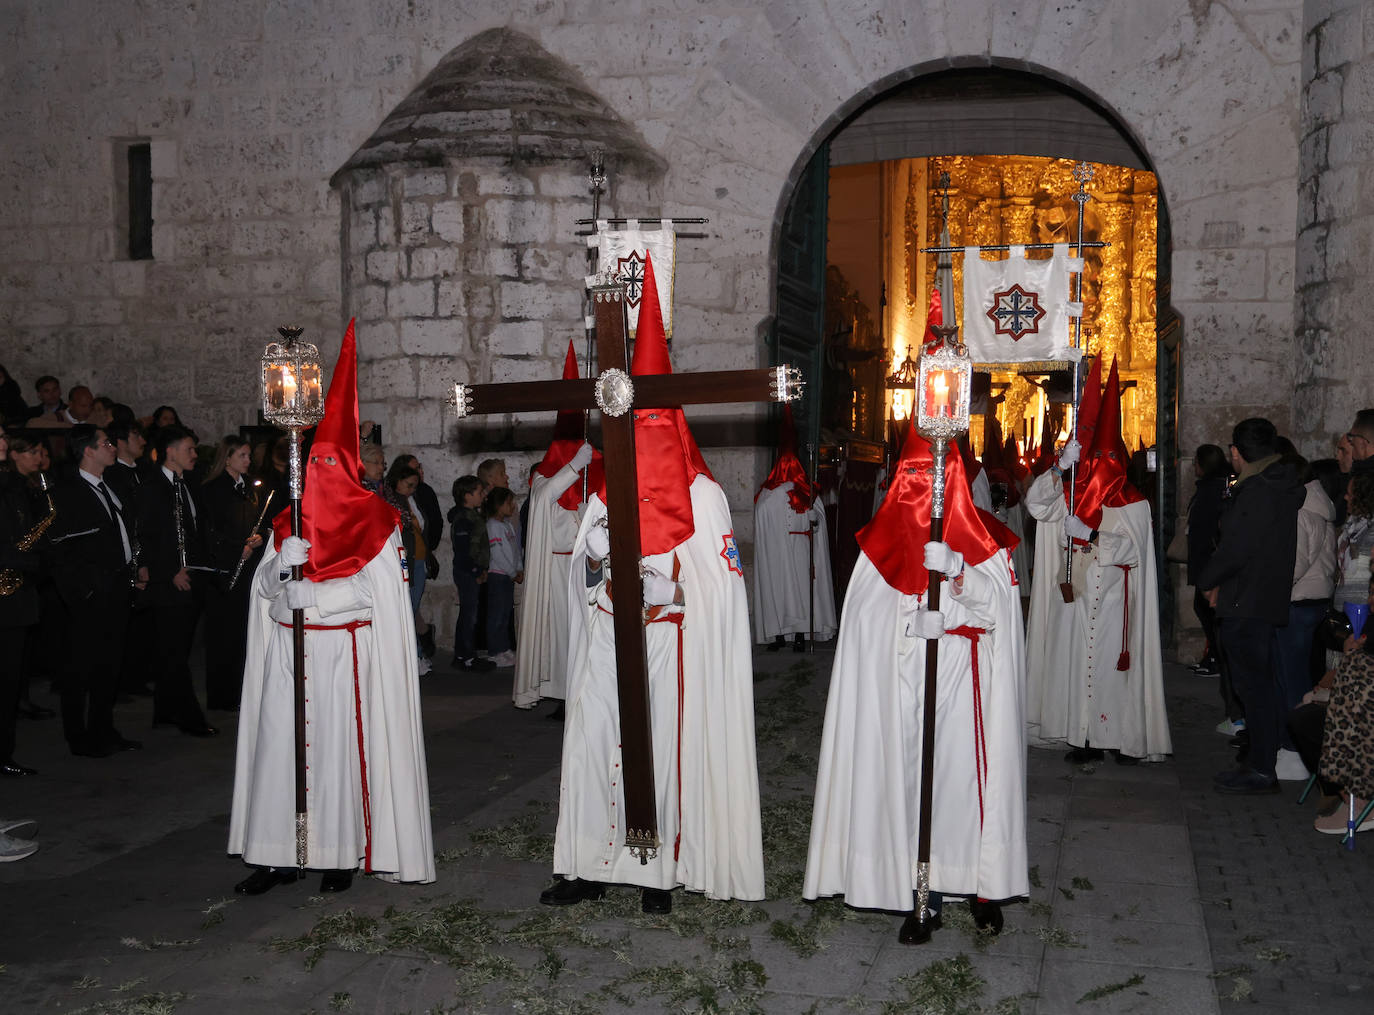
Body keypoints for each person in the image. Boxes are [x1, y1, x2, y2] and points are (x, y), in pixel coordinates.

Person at [541, 253, 763, 915]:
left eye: (654, 424)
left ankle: (656, 868)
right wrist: (597, 559)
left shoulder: (703, 496)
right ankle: (584, 862)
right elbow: (578, 571)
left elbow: (722, 592)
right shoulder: (606, 491)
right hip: (607, 642)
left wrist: (676, 594)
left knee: (661, 749)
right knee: (590, 743)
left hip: (670, 646)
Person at [229, 321, 435, 894]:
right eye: (311, 464)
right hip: (288, 656)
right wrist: (278, 568)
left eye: (326, 464)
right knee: (281, 751)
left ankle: (337, 854)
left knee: (337, 755)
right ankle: (279, 853)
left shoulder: (376, 521)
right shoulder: (286, 518)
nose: (317, 475)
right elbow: (263, 587)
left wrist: (315, 594)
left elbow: (381, 593)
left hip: (341, 653)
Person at [804, 427, 1028, 944]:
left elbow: (1000, 616)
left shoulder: (987, 543)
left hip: (963, 685)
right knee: (908, 786)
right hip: (899, 690)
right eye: (911, 476)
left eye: (932, 476)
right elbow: (862, 623)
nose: (920, 487)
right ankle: (919, 894)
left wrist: (957, 577)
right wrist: (909, 626)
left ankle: (978, 887)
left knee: (961, 787)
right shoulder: (875, 546)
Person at [1023, 358, 1171, 764]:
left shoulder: (1134, 505)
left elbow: (1134, 552)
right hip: (1075, 600)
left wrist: (1090, 534)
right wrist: (1058, 468)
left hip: (1114, 604)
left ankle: (1120, 738)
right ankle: (1082, 737)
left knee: (1113, 672)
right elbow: (1035, 506)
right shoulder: (1069, 492)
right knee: (1076, 669)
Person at [1199, 417, 1306, 794]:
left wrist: (1208, 581)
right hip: (1259, 597)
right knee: (1259, 687)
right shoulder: (1278, 484)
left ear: (1236, 452)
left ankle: (1262, 768)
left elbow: (1235, 548)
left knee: (1254, 688)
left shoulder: (1258, 490)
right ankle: (1260, 759)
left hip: (1247, 601)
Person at [513, 343, 601, 713]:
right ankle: (564, 697)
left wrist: (589, 509)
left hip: (584, 568)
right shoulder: (544, 477)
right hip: (555, 569)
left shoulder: (595, 471)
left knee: (583, 631)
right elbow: (545, 497)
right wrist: (574, 467)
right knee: (560, 635)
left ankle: (586, 694)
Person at [48, 424, 142, 757]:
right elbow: (61, 551)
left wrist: (135, 567)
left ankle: (104, 728)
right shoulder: (66, 492)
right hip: (89, 594)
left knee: (109, 665)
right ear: (87, 450)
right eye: (105, 443)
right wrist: (81, 593)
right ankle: (79, 736)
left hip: (117, 587)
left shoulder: (112, 484)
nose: (113, 447)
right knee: (80, 668)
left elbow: (122, 531)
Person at [1273, 451, 1337, 781]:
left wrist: (1270, 594)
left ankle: (1294, 748)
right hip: (1309, 599)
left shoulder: (1303, 511)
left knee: (1291, 677)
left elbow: (1293, 564)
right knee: (1293, 674)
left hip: (1298, 601)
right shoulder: (1316, 504)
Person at [752, 404, 836, 651]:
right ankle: (778, 635)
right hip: (776, 550)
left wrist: (814, 519)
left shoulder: (808, 492)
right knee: (776, 590)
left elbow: (819, 519)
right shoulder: (768, 496)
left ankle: (800, 635)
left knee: (801, 590)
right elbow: (762, 519)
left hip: (801, 547)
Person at [199, 435, 268, 711]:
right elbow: (211, 531)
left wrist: (259, 538)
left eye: (249, 455)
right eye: (242, 455)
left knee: (241, 632)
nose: (248, 461)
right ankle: (222, 695)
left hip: (246, 566)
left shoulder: (247, 488)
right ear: (227, 458)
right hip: (224, 571)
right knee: (222, 634)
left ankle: (241, 690)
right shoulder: (213, 489)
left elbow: (255, 522)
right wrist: (235, 549)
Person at [0, 423, 49, 777]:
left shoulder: (13, 486)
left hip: (15, 593)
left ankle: (4, 751)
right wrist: (28, 560)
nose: (3, 442)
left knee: (9, 680)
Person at [384, 458, 430, 675]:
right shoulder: (394, 502)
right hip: (408, 561)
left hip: (418, 560)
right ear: (397, 481)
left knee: (412, 608)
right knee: (408, 610)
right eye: (408, 485)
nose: (412, 490)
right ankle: (415, 655)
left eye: (414, 486)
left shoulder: (408, 501)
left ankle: (417, 654)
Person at [448, 475, 494, 672]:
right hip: (467, 572)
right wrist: (476, 570)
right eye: (478, 492)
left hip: (472, 571)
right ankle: (466, 656)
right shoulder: (463, 519)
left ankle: (463, 654)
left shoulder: (472, 516)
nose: (482, 496)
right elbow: (463, 551)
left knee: (468, 614)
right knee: (469, 616)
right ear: (467, 496)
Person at [482, 486, 522, 669]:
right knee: (497, 615)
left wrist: (519, 568)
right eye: (508, 503)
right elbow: (497, 554)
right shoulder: (492, 526)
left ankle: (504, 648)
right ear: (498, 505)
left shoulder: (506, 525)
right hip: (499, 576)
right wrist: (513, 573)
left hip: (508, 577)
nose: (512, 506)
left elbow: (514, 550)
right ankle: (495, 652)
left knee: (506, 613)